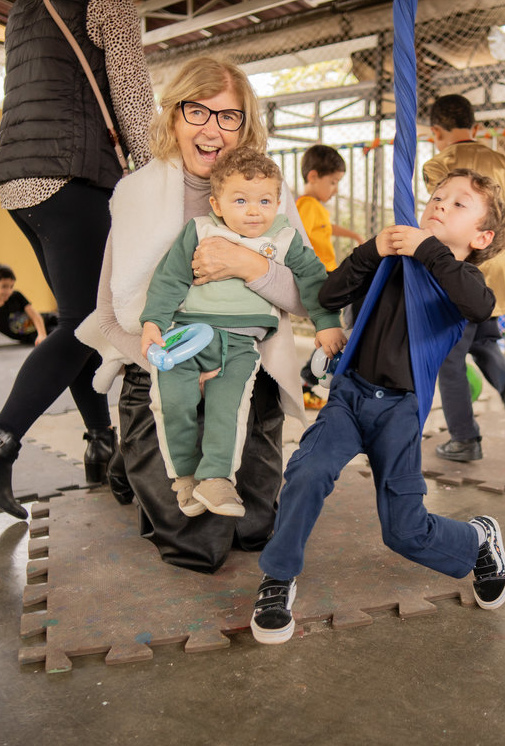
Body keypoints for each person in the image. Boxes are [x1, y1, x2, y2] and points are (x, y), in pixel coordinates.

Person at [250, 169, 505, 645]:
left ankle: (477, 540)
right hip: (350, 395)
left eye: (458, 204)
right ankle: (278, 577)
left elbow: (479, 305)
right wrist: (374, 250)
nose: (438, 204)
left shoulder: (460, 278)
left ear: (481, 236)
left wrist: (426, 249)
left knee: (403, 531)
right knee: (307, 473)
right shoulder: (390, 265)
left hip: (401, 410)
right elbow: (329, 296)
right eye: (436, 196)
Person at [77, 55, 317, 573]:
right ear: (174, 117)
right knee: (200, 545)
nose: (212, 130)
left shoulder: (265, 194)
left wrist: (250, 264)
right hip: (164, 368)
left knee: (254, 530)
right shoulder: (136, 195)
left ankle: (143, 463)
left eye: (228, 116)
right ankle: (134, 459)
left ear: (245, 125)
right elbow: (106, 313)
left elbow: (304, 296)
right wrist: (165, 359)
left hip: (244, 363)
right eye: (197, 112)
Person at [0, 0, 155, 518]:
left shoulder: (23, 6)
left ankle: (99, 442)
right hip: (72, 173)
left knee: (77, 318)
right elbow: (132, 98)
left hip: (18, 178)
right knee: (90, 322)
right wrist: (160, 173)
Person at [140, 147, 344, 518]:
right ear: (217, 205)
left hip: (240, 342)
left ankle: (216, 478)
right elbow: (169, 278)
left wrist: (327, 324)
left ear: (279, 202)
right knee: (171, 402)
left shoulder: (284, 237)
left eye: (265, 201)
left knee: (229, 409)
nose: (254, 210)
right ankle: (184, 477)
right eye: (241, 200)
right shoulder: (200, 230)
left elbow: (314, 280)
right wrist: (153, 322)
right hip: (187, 334)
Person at [423, 93, 505, 462]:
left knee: (449, 359)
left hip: (461, 271)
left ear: (435, 131)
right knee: (481, 340)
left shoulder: (438, 164)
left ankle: (465, 439)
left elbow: (442, 219)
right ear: (475, 128)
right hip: (498, 270)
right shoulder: (499, 161)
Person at [294, 143, 364, 409]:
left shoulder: (317, 207)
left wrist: (353, 235)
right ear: (313, 177)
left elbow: (327, 227)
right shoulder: (307, 205)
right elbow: (299, 235)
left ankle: (315, 376)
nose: (335, 190)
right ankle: (311, 379)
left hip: (330, 273)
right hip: (321, 275)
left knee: (339, 328)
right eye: (333, 182)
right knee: (337, 329)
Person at [0, 263, 56, 349]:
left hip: (46, 322)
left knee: (67, 327)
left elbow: (35, 315)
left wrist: (42, 334)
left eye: (11, 286)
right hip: (32, 337)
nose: (8, 291)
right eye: (4, 286)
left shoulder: (16, 296)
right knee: (60, 336)